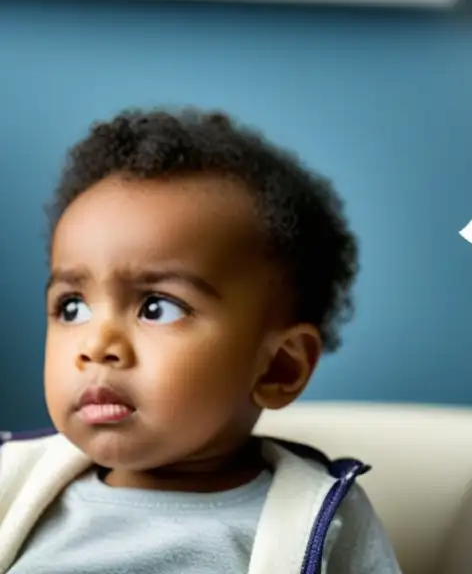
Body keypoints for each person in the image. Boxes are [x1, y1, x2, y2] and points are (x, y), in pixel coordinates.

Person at [0, 109, 401, 573]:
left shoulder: (318, 521)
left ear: (278, 368)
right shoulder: (14, 489)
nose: (97, 344)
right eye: (73, 307)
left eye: (157, 307)